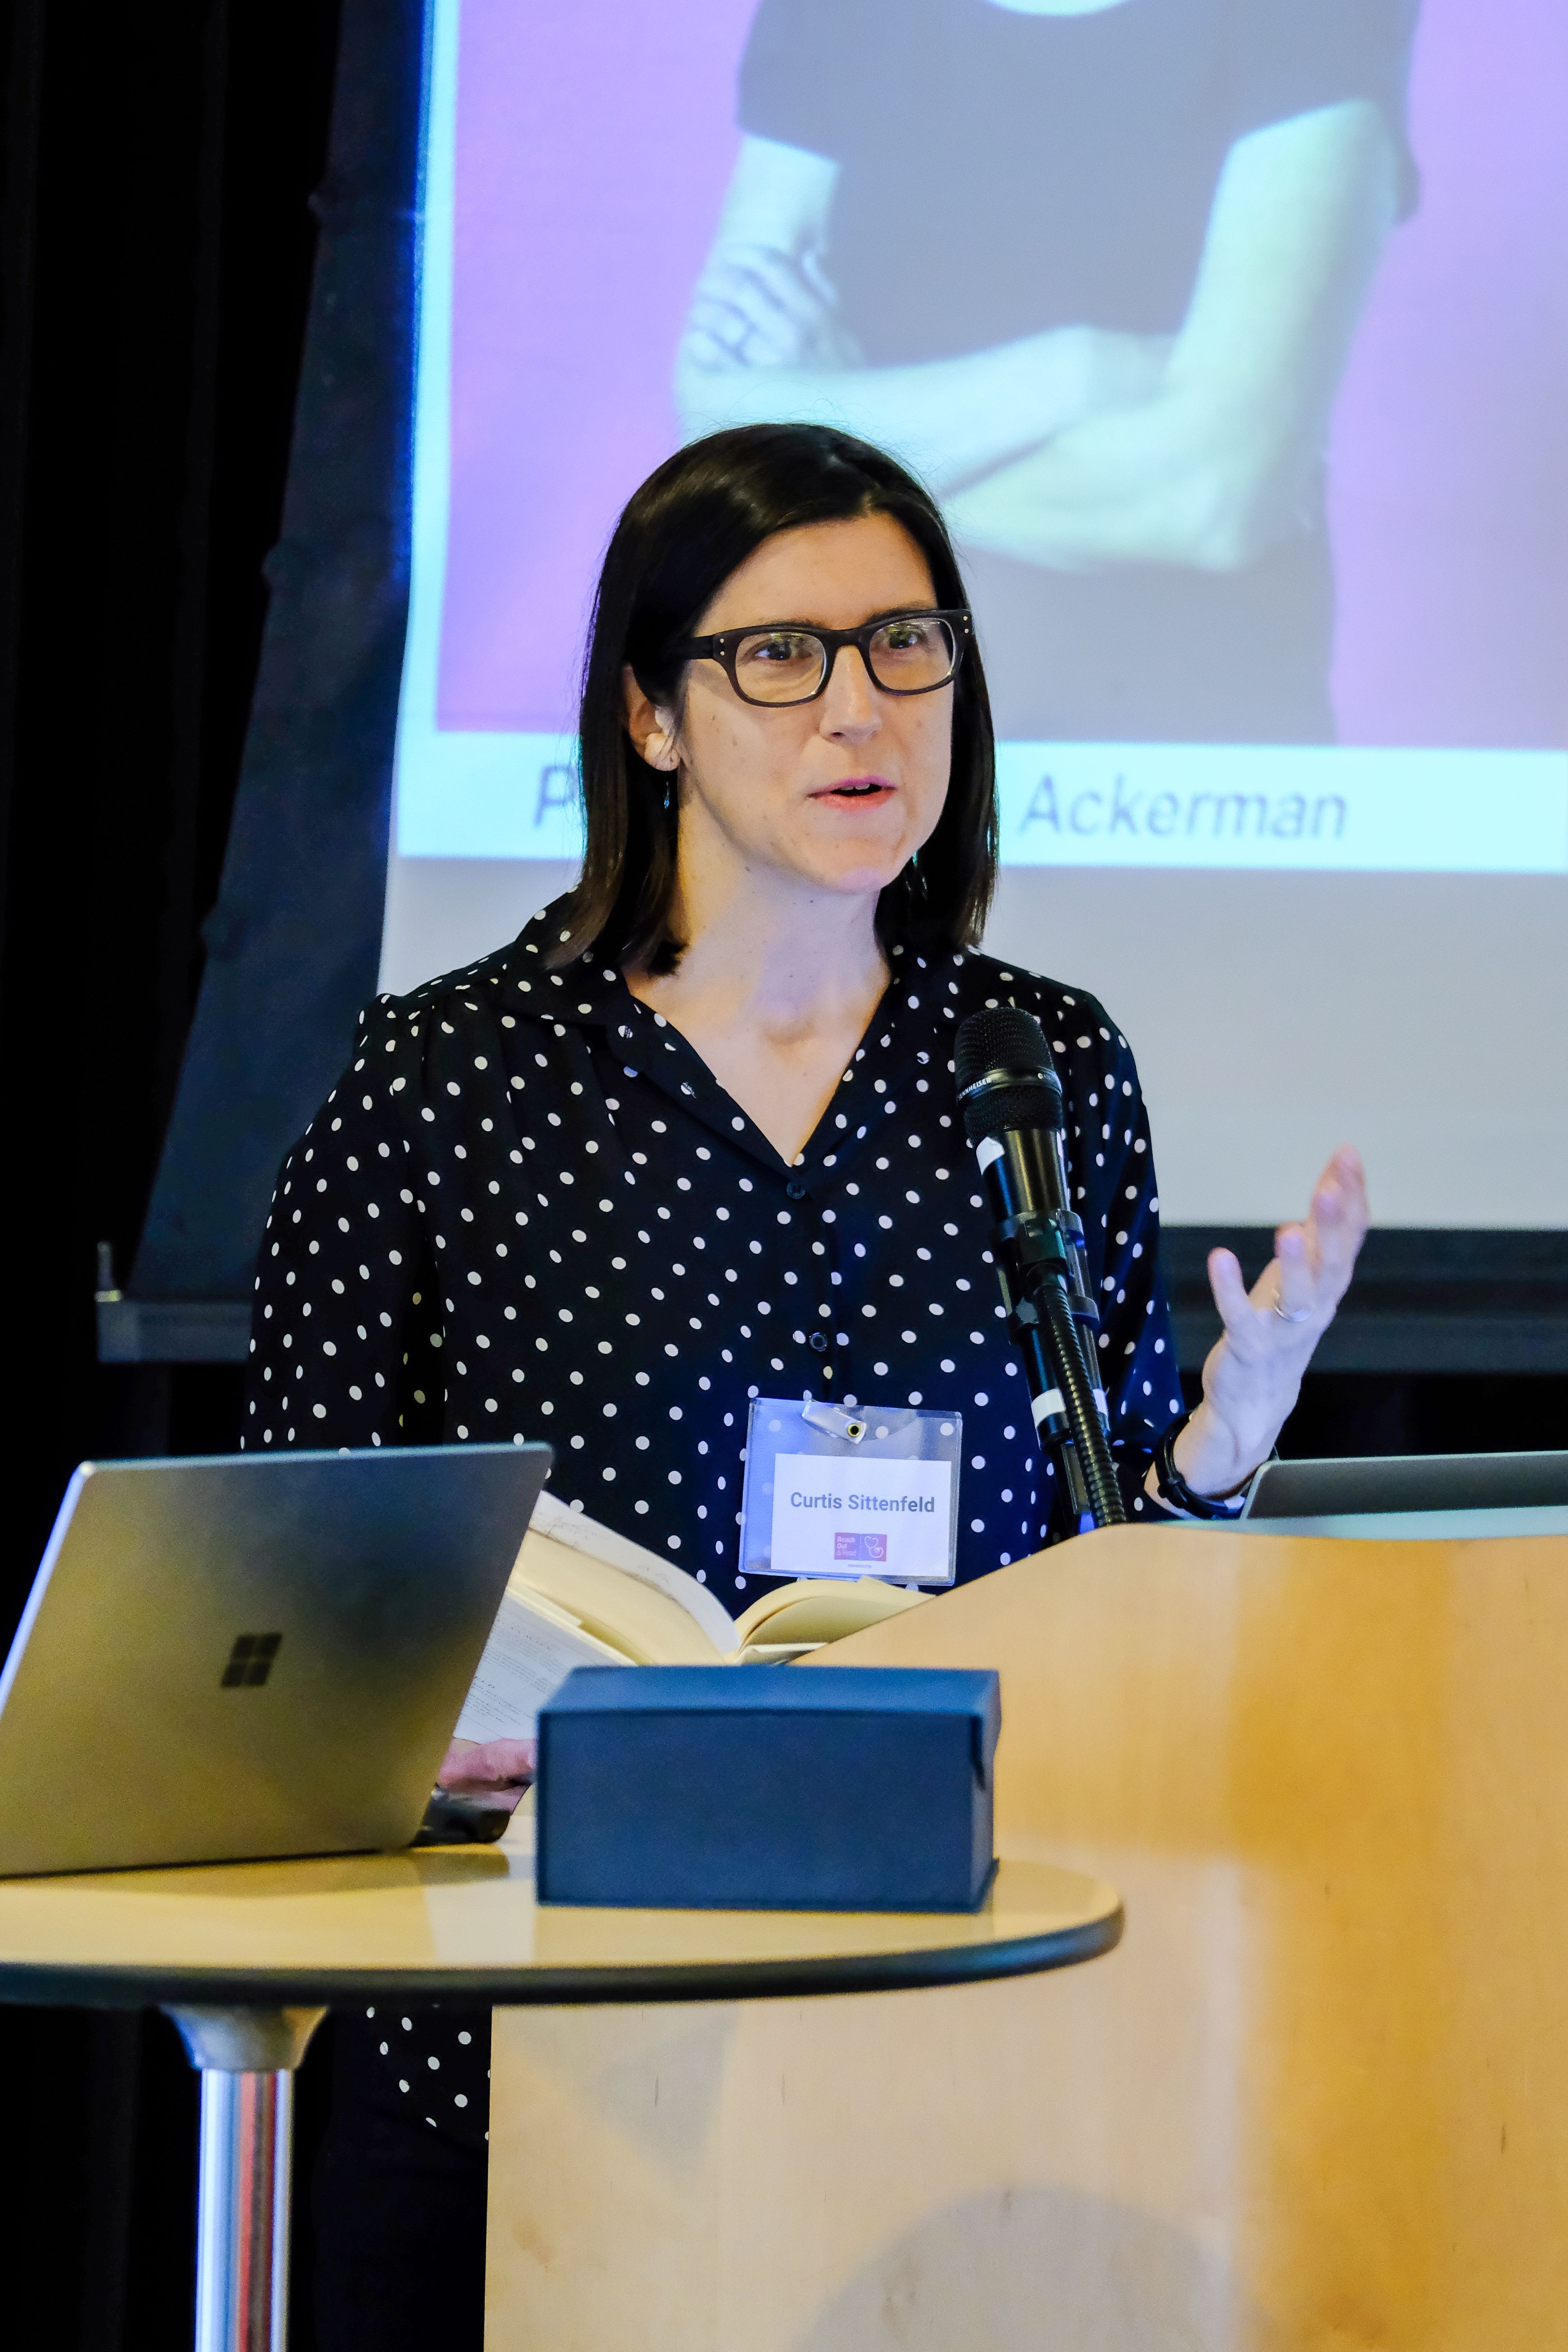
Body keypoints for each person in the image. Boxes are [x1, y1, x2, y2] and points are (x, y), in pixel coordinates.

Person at [244, 421, 1367, 2345]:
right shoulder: (446, 1083)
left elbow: (1101, 1587)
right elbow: (287, 1582)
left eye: (904, 645)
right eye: (779, 654)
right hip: (523, 2031)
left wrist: (1219, 1444)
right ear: (650, 714)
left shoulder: (1034, 1075)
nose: (857, 706)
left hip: (928, 2020)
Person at [676, 0, 1418, 743]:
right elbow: (721, 421)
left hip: (1179, 773)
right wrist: (1068, 375)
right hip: (854, 743)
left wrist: (829, 469)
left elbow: (1208, 496)